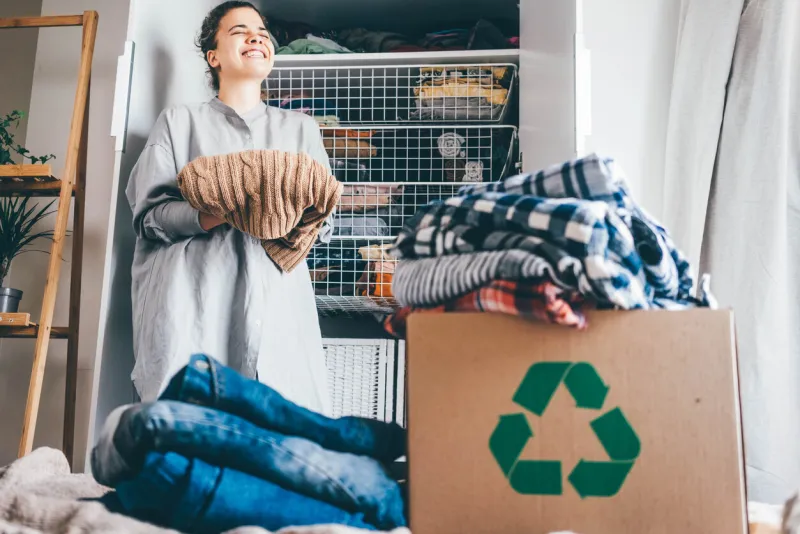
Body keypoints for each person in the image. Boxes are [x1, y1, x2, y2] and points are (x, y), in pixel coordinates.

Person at [125, 1, 333, 414]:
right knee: (189, 435)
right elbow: (149, 217)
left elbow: (322, 222)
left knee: (274, 441)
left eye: (262, 31)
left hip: (278, 313)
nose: (257, 36)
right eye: (239, 30)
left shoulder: (301, 130)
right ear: (213, 56)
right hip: (193, 304)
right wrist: (224, 210)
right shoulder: (179, 123)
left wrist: (278, 208)